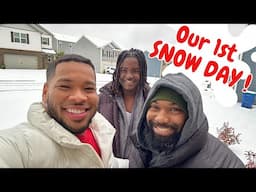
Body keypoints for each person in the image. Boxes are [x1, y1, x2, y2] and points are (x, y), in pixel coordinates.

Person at [0, 54, 128, 168]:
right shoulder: (21, 145)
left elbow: (107, 162)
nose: (79, 97)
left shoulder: (99, 128)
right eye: (65, 86)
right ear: (45, 92)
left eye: (88, 88)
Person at [131, 72, 245, 168]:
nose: (161, 118)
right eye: (155, 107)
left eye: (174, 109)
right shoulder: (143, 144)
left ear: (191, 116)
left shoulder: (215, 163)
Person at [98, 48, 150, 167]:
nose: (129, 76)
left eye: (135, 71)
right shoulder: (102, 99)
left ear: (143, 72)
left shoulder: (151, 101)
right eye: (123, 70)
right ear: (117, 72)